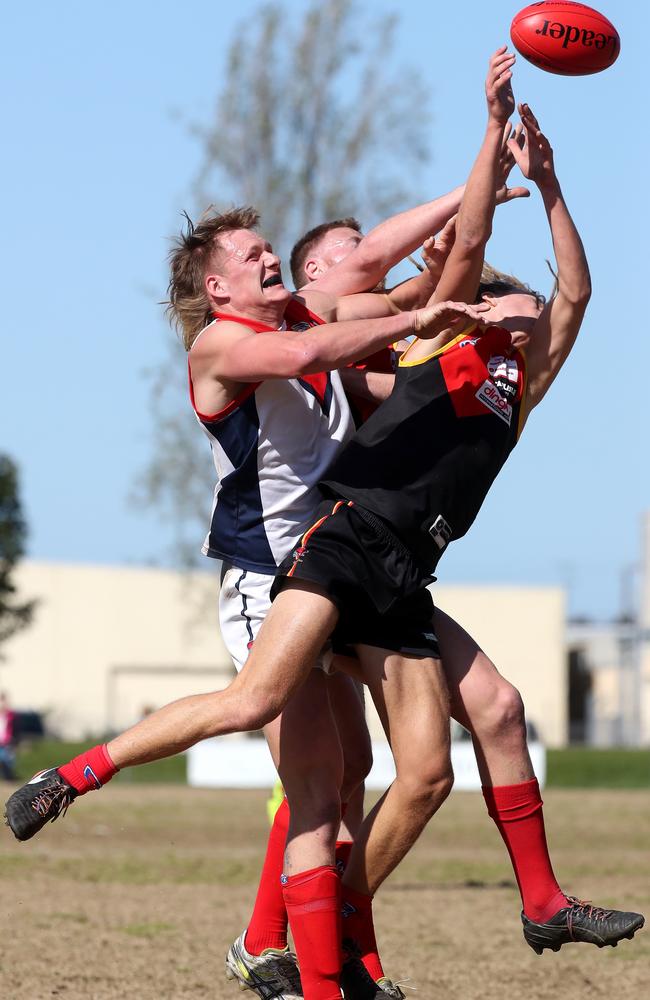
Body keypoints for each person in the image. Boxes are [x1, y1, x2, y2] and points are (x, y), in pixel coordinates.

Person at [6, 48, 644, 998]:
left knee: (399, 770)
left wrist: (500, 163)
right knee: (308, 772)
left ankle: (390, 943)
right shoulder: (231, 340)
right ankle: (92, 790)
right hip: (282, 567)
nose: (276, 255)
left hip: (382, 565)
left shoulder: (427, 346)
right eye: (257, 254)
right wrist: (430, 310)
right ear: (219, 287)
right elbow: (350, 321)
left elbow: (399, 261)